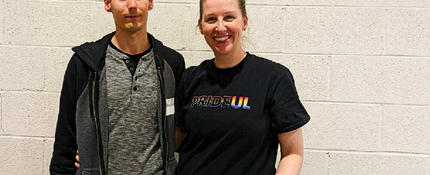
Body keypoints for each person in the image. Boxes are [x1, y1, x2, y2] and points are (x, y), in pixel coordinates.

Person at [174, 0, 310, 174]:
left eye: (229, 17)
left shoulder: (274, 78)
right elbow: (174, 142)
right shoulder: (190, 78)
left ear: (244, 22)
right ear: (201, 27)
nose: (220, 27)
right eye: (211, 19)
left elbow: (292, 153)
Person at [49, 0, 185, 173]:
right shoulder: (85, 65)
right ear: (107, 4)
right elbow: (65, 139)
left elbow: (183, 129)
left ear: (150, 2)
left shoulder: (172, 65)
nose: (132, 4)